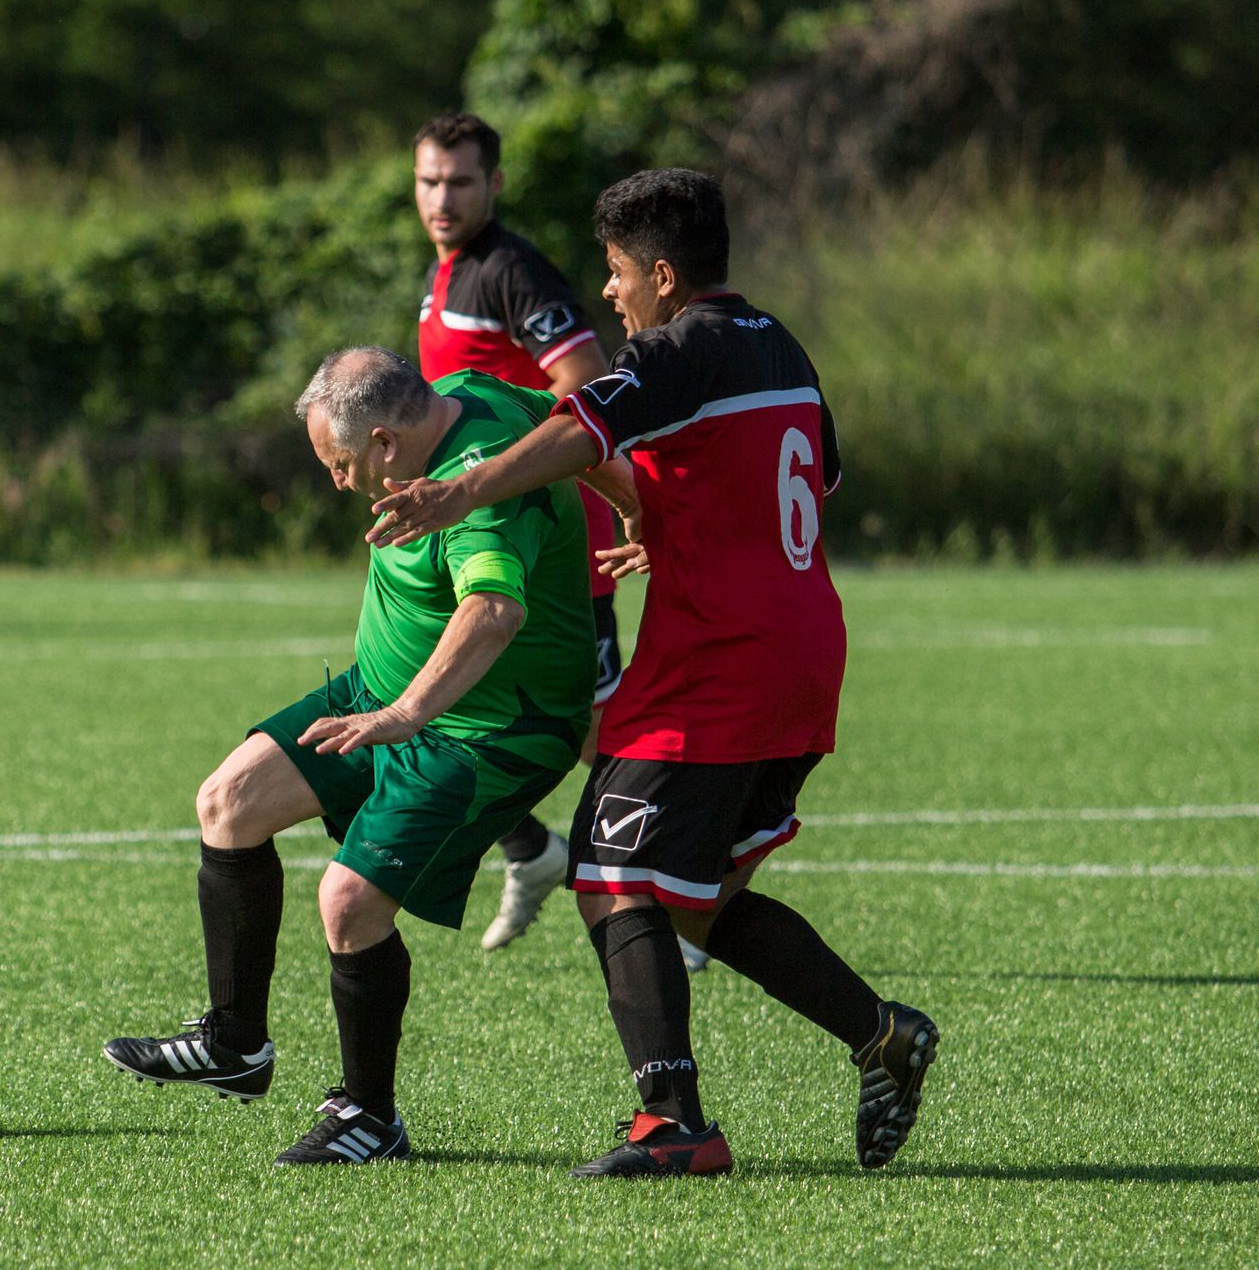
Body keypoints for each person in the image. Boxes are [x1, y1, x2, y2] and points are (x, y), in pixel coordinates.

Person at [365, 169, 940, 1177]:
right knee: (700, 894)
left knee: (608, 872)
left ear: (665, 275)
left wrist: (459, 492)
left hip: (721, 665)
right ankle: (883, 1031)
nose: (614, 295)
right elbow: (804, 479)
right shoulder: (782, 347)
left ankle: (676, 1123)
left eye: (621, 274)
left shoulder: (678, 348)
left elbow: (569, 429)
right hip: (801, 651)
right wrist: (673, 533)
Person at [103, 346, 596, 1165]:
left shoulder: (472, 503)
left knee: (348, 904)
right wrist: (631, 503)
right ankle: (235, 1045)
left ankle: (370, 1114)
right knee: (229, 803)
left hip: (490, 729)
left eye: (337, 464)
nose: (335, 483)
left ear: (384, 445)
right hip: (382, 689)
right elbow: (578, 432)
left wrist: (405, 713)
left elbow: (494, 610)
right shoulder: (467, 391)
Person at [410, 112, 708, 968]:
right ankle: (534, 850)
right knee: (450, 705)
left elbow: (580, 388)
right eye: (430, 180)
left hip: (549, 547)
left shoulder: (512, 271)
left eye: (460, 181)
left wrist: (505, 476)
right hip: (482, 542)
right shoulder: (444, 275)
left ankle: (668, 890)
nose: (443, 197)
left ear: (493, 185)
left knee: (599, 731)